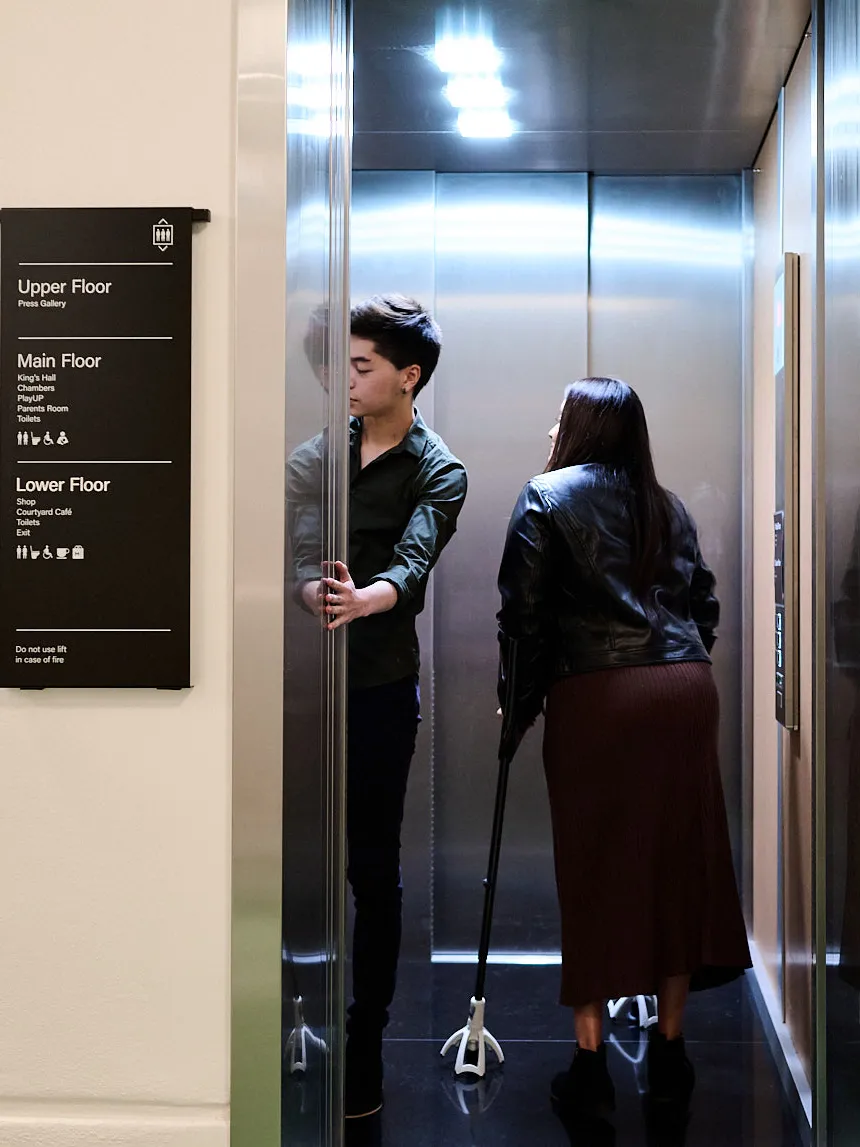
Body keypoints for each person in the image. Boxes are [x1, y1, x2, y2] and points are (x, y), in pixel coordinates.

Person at [496, 377, 751, 1121]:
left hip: (599, 695)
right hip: (683, 689)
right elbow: (703, 601)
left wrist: (519, 705)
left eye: (559, 416)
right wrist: (673, 665)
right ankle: (670, 1052)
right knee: (678, 863)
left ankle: (590, 1063)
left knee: (595, 866)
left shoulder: (545, 496)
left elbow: (524, 617)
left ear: (577, 426)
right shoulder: (666, 502)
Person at [289, 295, 468, 1120]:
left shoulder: (441, 468)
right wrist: (306, 584)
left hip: (380, 691)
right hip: (297, 688)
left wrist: (375, 595)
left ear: (409, 376)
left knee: (373, 868)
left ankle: (365, 1040)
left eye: (362, 368)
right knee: (288, 858)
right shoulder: (317, 455)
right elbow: (295, 536)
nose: (347, 380)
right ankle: (292, 1019)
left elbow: (418, 550)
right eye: (345, 365)